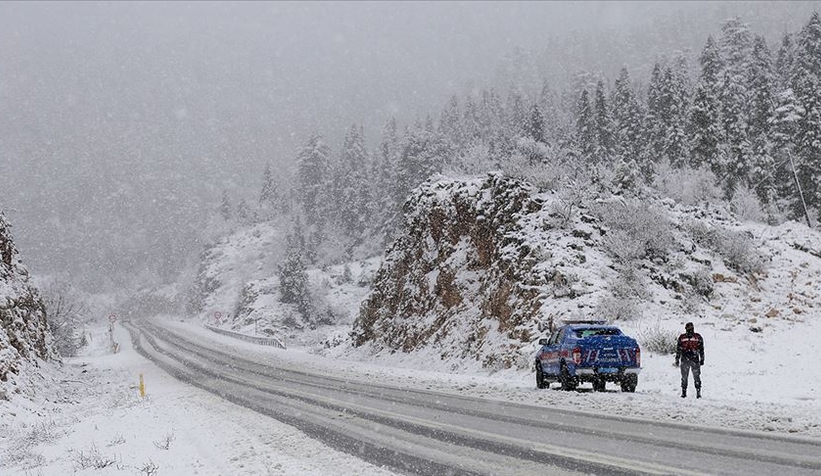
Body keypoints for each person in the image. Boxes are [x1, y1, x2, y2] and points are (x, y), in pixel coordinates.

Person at [674, 322, 704, 398]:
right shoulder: (696, 337)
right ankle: (692, 392)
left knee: (691, 377)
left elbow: (678, 350)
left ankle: (693, 392)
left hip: (690, 359)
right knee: (689, 377)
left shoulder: (684, 337)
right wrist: (702, 358)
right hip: (690, 359)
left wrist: (677, 359)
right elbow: (678, 349)